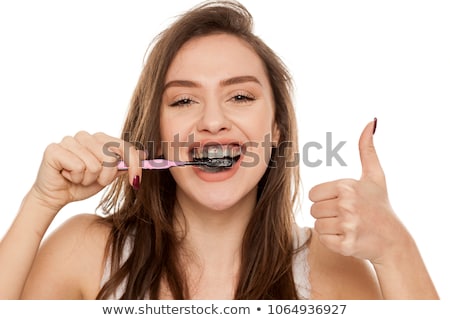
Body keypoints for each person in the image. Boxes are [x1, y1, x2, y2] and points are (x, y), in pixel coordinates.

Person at [0, 0, 439, 300]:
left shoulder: (332, 269)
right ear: (154, 133)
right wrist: (41, 204)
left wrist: (396, 248)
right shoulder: (85, 251)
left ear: (277, 132)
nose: (212, 121)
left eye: (241, 97)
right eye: (184, 100)